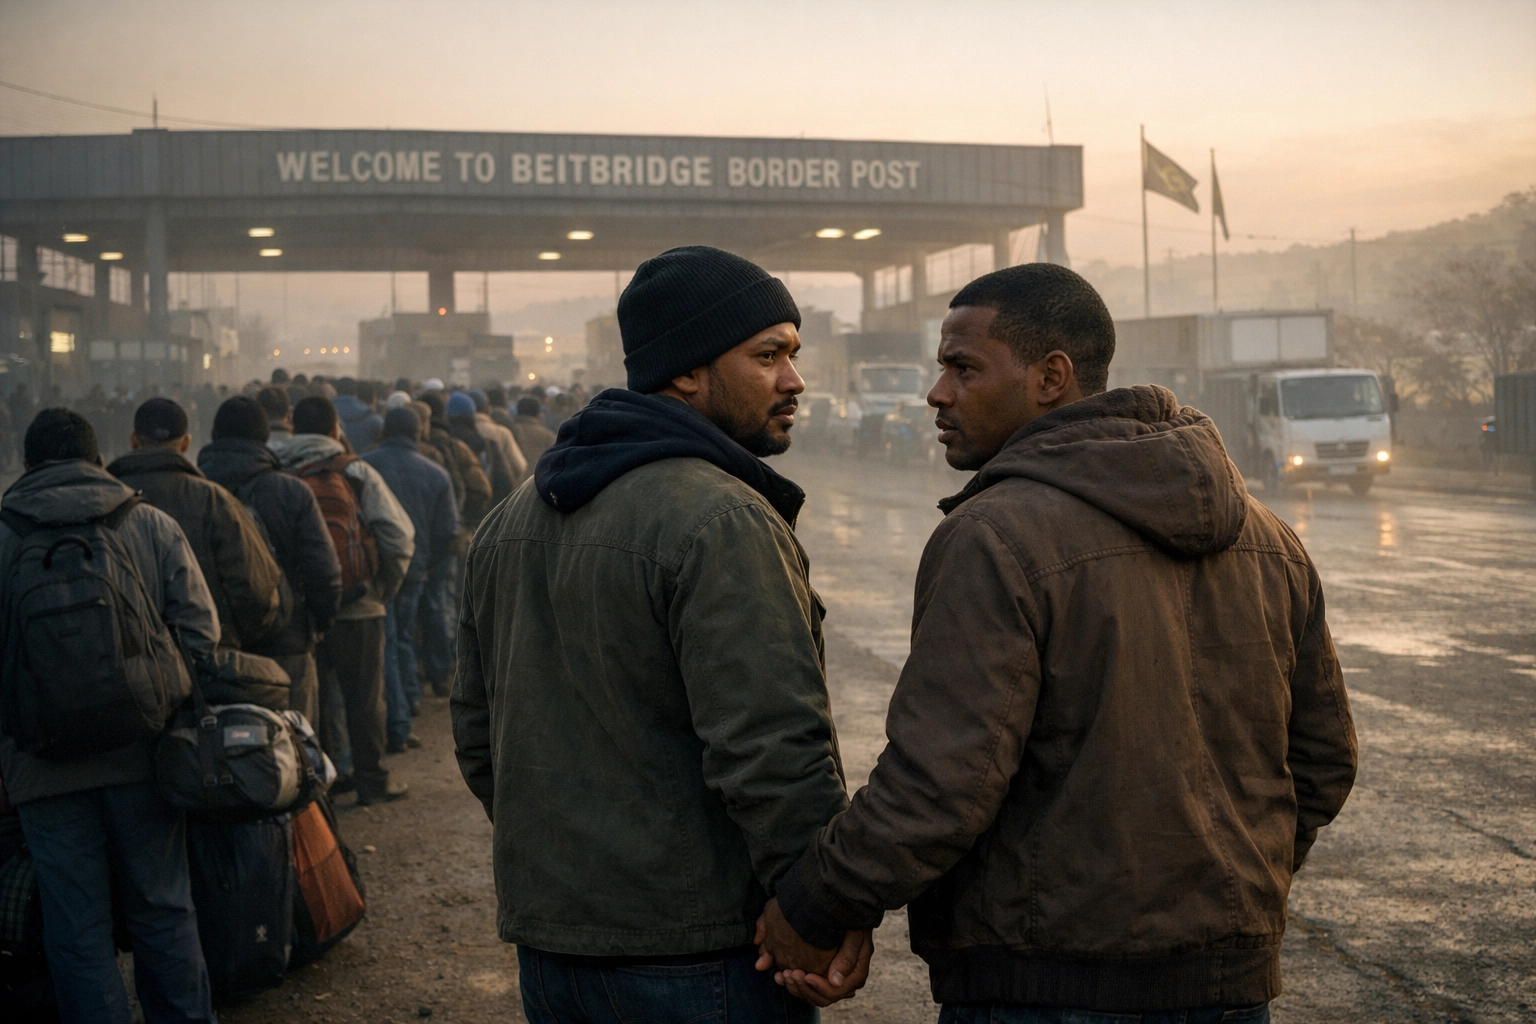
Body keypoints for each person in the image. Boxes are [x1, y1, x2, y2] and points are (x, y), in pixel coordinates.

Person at [757, 264, 1359, 1020]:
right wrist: (1231, 878)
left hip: (1041, 987)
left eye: (962, 368)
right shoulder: (1272, 539)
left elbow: (942, 786)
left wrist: (817, 904)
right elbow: (1324, 758)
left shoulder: (994, 536)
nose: (937, 394)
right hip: (1228, 987)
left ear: (1051, 377)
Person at [452, 246, 861, 1023]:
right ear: (685, 371)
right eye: (767, 355)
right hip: (699, 957)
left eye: (794, 354)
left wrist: (577, 864)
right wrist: (816, 910)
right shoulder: (722, 520)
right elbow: (771, 747)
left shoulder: (511, 519)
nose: (794, 380)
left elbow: (480, 733)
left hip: (557, 953)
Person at [1, 407, 219, 1024]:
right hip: (145, 753)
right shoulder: (148, 522)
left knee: (76, 926)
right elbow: (201, 633)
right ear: (98, 460)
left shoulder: (4, 533)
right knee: (163, 907)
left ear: (27, 463)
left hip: (40, 765)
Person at [271, 396, 414, 805]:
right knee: (365, 700)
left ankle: (325, 784)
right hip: (358, 606)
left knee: (314, 703)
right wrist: (380, 589)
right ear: (336, 430)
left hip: (302, 610)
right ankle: (372, 781)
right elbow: (397, 535)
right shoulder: (355, 471)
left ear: (292, 426)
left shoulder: (276, 472)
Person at [197, 396, 344, 731]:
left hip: (212, 651)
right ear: (265, 438)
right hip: (286, 643)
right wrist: (317, 623)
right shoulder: (290, 491)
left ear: (213, 435)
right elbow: (324, 572)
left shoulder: (196, 491)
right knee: (297, 749)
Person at [107, 397, 284, 653]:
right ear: (186, 443)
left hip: (126, 666)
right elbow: (256, 589)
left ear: (133, 439)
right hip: (206, 662)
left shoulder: (107, 498)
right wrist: (230, 639)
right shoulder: (214, 500)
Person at [363, 407, 459, 750]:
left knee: (387, 642)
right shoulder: (436, 474)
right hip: (416, 568)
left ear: (383, 431)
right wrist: (429, 565)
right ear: (419, 434)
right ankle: (411, 698)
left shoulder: (364, 467)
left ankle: (399, 722)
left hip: (376, 570)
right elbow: (449, 530)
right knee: (402, 637)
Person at [418, 391, 492, 695]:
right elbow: (481, 489)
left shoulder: (416, 448)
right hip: (451, 538)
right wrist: (468, 522)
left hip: (413, 541)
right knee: (447, 600)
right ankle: (445, 667)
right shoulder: (457, 448)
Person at [509, 395, 557, 468]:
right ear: (538, 414)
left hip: (515, 477)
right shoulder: (548, 435)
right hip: (538, 477)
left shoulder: (509, 431)